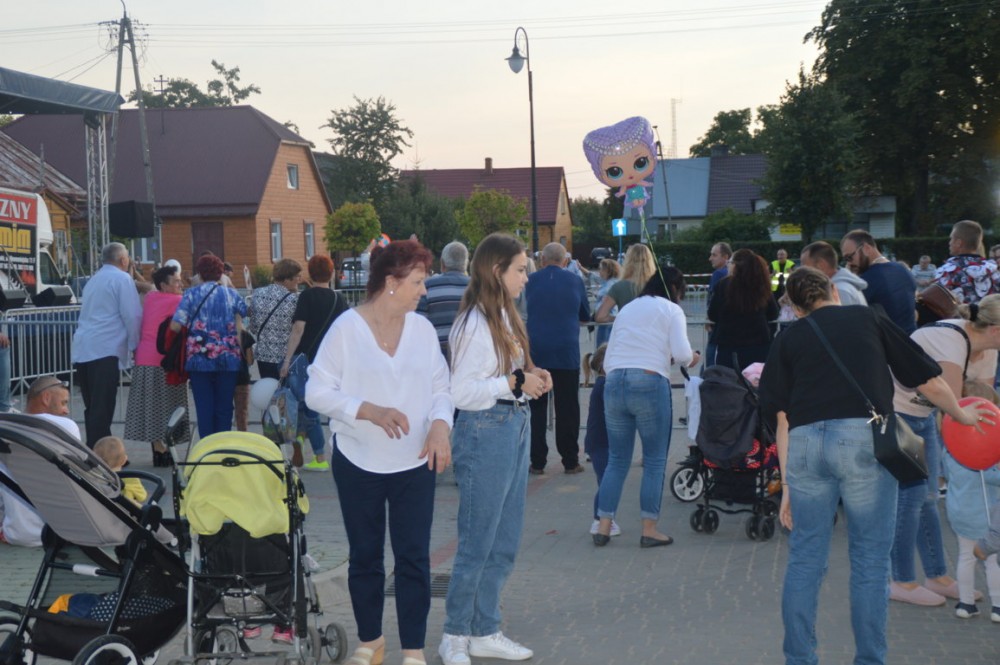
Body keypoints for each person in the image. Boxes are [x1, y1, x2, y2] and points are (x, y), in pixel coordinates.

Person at [757, 266, 990, 665]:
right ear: (834, 291)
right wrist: (962, 414)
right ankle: (869, 659)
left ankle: (799, 659)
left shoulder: (788, 338)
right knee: (869, 561)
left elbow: (781, 419)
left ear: (795, 308)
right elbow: (927, 380)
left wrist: (789, 486)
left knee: (805, 559)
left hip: (806, 445)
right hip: (863, 441)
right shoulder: (868, 318)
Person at [306, 240, 452, 665]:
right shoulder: (346, 329)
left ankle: (413, 649)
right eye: (418, 282)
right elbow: (316, 391)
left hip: (415, 462)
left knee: (413, 558)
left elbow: (442, 389)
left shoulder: (422, 330)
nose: (423, 291)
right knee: (365, 557)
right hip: (358, 462)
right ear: (391, 281)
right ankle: (371, 641)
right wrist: (367, 410)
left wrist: (440, 425)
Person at [438, 233, 551, 665]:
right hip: (486, 430)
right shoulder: (474, 322)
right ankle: (455, 635)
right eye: (520, 269)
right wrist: (515, 382)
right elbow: (462, 392)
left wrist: (532, 377)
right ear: (496, 270)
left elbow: (507, 375)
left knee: (504, 540)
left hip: (512, 425)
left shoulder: (502, 314)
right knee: (477, 542)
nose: (527, 277)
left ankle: (484, 629)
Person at [888, 298, 1000, 606]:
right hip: (900, 413)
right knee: (911, 497)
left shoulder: (989, 350)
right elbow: (953, 408)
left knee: (928, 497)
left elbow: (983, 403)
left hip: (925, 416)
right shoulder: (950, 342)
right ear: (996, 330)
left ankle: (936, 576)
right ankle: (901, 581)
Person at [594, 269, 699, 547]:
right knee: (654, 460)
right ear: (675, 288)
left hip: (614, 381)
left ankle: (603, 526)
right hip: (650, 381)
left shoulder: (628, 308)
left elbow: (609, 356)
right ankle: (649, 529)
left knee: (617, 459)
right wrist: (693, 357)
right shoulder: (672, 310)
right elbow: (683, 354)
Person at [525, 242, 591, 475]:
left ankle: (537, 461)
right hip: (566, 352)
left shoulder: (529, 281)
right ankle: (570, 460)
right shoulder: (575, 281)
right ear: (565, 261)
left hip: (536, 353)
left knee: (536, 408)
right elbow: (585, 314)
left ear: (542, 259)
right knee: (568, 408)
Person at [280, 255, 350, 470]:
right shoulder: (340, 300)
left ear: (310, 274)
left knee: (307, 404)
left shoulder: (306, 297)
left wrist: (287, 359)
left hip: (306, 359)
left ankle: (317, 453)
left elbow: (298, 329)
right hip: (332, 361)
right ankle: (314, 445)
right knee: (321, 406)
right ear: (331, 274)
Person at [72, 242, 142, 448]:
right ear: (123, 260)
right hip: (105, 348)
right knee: (102, 407)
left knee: (92, 406)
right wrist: (135, 345)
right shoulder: (122, 279)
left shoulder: (93, 280)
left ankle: (97, 448)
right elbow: (132, 315)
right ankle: (100, 454)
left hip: (84, 348)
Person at [170, 254, 247, 439]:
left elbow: (175, 326)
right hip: (228, 358)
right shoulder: (231, 294)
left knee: (204, 406)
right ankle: (222, 445)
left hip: (199, 359)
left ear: (200, 274)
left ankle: (207, 446)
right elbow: (244, 314)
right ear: (221, 273)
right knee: (224, 407)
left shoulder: (191, 294)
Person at [0, 376, 80, 547]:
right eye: (64, 403)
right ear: (46, 398)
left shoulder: (5, 427)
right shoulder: (65, 426)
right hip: (62, 533)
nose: (66, 411)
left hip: (17, 534)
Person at [124, 264, 190, 466]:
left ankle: (157, 448)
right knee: (170, 405)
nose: (180, 284)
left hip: (144, 358)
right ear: (164, 285)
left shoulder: (152, 298)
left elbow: (148, 287)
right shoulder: (178, 301)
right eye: (176, 281)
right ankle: (166, 448)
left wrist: (134, 276)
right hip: (164, 360)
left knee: (151, 406)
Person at [943, 446, 1000, 621]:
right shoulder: (985, 452)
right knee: (993, 562)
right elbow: (993, 477)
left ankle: (966, 604)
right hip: (985, 514)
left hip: (961, 513)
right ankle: (997, 607)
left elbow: (947, 475)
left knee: (966, 557)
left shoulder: (950, 451)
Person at [708, 249, 778, 371]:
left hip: (729, 345)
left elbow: (712, 314)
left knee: (728, 380)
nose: (728, 265)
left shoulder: (723, 285)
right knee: (756, 381)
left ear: (736, 265)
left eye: (730, 262)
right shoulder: (761, 285)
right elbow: (773, 313)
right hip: (759, 344)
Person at [841, 230, 918, 334]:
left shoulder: (866, 281)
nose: (849, 264)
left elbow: (848, 318)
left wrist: (850, 278)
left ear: (866, 248)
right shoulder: (903, 270)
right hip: (911, 338)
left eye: (849, 257)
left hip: (886, 342)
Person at [583, 343, 619, 537]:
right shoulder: (605, 385)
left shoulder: (602, 383)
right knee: (607, 483)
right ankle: (599, 520)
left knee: (606, 481)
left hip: (600, 442)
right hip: (600, 443)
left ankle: (604, 518)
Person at [248, 258, 302, 380]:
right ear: (287, 279)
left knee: (268, 389)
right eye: (297, 276)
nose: (299, 280)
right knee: (285, 390)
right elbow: (297, 330)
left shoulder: (257, 293)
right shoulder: (294, 300)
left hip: (263, 356)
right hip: (286, 357)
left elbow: (253, 327)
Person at [416, 241, 471, 358]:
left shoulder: (427, 286)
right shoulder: (476, 287)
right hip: (468, 352)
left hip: (436, 353)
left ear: (442, 263)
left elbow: (419, 323)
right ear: (466, 263)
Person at [936, 219, 1000, 304]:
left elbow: (937, 303)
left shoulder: (947, 271)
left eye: (951, 239)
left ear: (958, 243)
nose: (949, 243)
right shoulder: (993, 270)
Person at [593, 244, 656, 327]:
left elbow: (601, 317)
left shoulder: (619, 287)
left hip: (627, 331)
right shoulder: (658, 286)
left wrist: (620, 318)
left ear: (628, 261)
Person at [800, 241, 868, 307]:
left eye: (805, 265)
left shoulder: (840, 291)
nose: (802, 271)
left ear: (821, 264)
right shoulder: (843, 287)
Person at [93, 436, 147, 505]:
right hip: (127, 509)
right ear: (124, 460)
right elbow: (142, 496)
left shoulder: (96, 477)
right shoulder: (131, 478)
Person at [704, 242, 732, 368]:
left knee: (711, 355)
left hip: (716, 322)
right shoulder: (733, 274)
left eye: (714, 255)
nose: (710, 258)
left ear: (725, 257)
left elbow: (713, 298)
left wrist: (708, 318)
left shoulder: (719, 274)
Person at [593, 259, 620, 349]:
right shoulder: (611, 282)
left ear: (607, 271)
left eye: (601, 269)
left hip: (606, 322)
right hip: (609, 321)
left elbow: (604, 303)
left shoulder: (609, 285)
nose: (599, 271)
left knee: (602, 350)